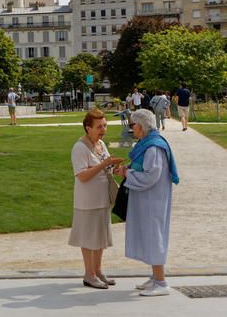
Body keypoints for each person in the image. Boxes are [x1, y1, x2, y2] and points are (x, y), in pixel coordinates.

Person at [114, 108, 180, 296]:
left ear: (141, 126)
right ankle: (155, 277)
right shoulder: (147, 143)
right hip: (149, 200)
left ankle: (161, 282)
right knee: (150, 236)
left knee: (154, 237)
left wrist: (127, 173)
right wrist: (127, 169)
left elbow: (151, 175)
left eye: (133, 125)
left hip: (153, 201)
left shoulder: (153, 147)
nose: (131, 128)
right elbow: (141, 166)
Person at [68, 109, 123, 289]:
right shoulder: (79, 147)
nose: (103, 129)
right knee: (89, 238)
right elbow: (82, 176)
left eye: (105, 125)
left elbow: (103, 167)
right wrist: (104, 164)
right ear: (87, 128)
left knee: (100, 238)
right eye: (99, 126)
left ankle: (98, 271)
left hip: (102, 199)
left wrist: (112, 168)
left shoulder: (101, 144)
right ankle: (89, 274)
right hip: (87, 202)